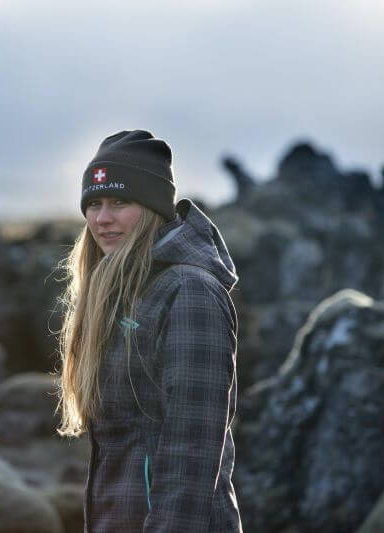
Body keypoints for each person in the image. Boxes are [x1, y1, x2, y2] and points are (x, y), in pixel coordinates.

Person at [57, 130, 242, 532]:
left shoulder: (190, 292)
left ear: (153, 206)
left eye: (120, 202)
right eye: (93, 204)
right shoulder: (119, 290)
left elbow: (191, 455)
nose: (102, 219)